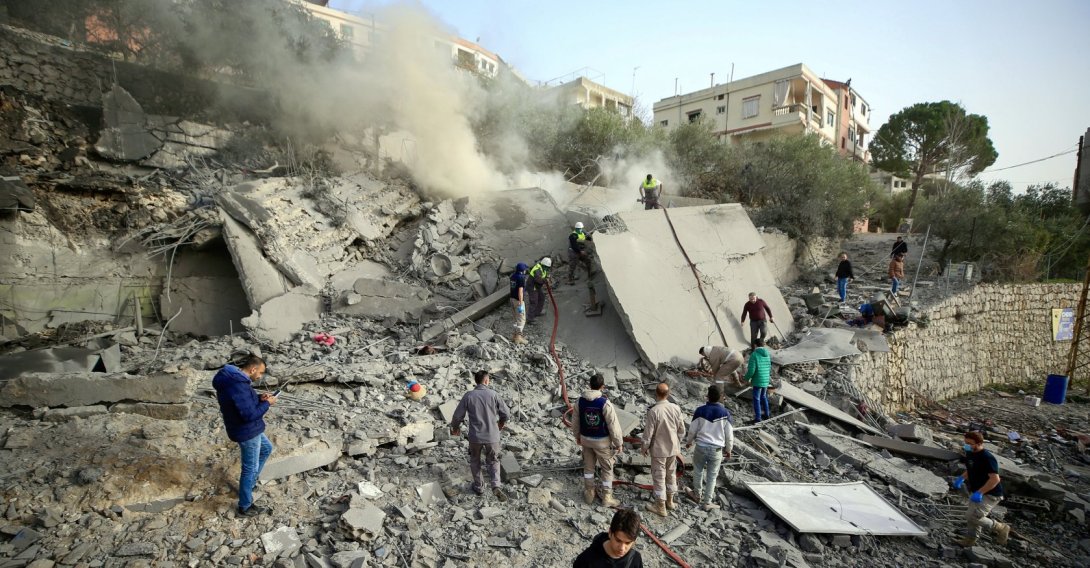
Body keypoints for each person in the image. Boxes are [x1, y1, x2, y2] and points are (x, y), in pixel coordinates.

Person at [212, 354, 276, 517]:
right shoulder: (238, 385)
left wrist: (258, 398)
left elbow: (243, 402)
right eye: (260, 373)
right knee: (250, 468)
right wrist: (267, 404)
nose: (259, 376)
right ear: (253, 369)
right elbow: (249, 415)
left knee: (266, 449)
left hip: (248, 428)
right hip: (246, 431)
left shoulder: (235, 379)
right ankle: (245, 506)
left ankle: (250, 484)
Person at [450, 370, 511, 502]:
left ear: (476, 381)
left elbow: (457, 416)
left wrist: (455, 428)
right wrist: (501, 422)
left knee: (475, 461)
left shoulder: (469, 396)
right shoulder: (494, 394)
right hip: (492, 436)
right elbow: (506, 413)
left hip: (475, 437)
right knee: (493, 460)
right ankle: (496, 485)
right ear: (486, 381)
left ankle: (479, 487)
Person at [572, 373, 623, 507]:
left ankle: (589, 493)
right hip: (602, 442)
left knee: (588, 467)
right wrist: (618, 443)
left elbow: (575, 421)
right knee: (607, 468)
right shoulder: (605, 403)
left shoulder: (579, 402)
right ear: (602, 386)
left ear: (589, 385)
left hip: (586, 440)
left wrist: (577, 436)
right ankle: (607, 497)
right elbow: (613, 425)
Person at [954, 431, 1011, 547]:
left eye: (970, 443)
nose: (967, 446)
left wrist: (980, 492)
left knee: (973, 516)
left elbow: (995, 479)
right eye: (966, 443)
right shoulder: (970, 453)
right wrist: (961, 478)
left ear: (979, 443)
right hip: (977, 490)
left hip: (990, 494)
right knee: (971, 516)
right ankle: (970, 540)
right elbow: (971, 469)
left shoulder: (987, 458)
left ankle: (1000, 527)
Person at [684, 385, 734, 510]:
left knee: (698, 471)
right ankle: (707, 502)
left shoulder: (700, 410)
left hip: (701, 446)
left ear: (707, 396)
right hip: (716, 449)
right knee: (712, 475)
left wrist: (689, 442)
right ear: (721, 397)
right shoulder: (726, 413)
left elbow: (692, 430)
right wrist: (728, 450)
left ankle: (696, 494)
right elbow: (729, 436)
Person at [641, 383, 686, 517]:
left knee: (659, 476)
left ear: (656, 393)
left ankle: (660, 506)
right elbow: (681, 430)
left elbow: (648, 434)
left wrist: (644, 447)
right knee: (671, 473)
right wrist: (677, 443)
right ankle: (670, 502)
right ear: (668, 393)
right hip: (673, 449)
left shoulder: (654, 411)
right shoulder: (676, 408)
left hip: (659, 450)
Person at [572, 508, 644, 568]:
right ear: (610, 533)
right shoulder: (587, 559)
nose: (622, 548)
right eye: (618, 540)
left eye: (628, 543)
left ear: (634, 541)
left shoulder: (635, 560)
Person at [743, 338, 772, 423]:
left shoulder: (754, 354)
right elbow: (769, 367)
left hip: (758, 381)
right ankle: (767, 415)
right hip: (765, 380)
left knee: (757, 399)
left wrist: (746, 379)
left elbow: (751, 370)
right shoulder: (767, 354)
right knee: (764, 397)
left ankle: (758, 418)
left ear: (755, 345)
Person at [526, 257, 552, 324]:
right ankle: (530, 319)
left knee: (541, 297)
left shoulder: (543, 269)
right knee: (534, 301)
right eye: (546, 267)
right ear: (543, 265)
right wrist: (546, 280)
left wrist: (547, 277)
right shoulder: (537, 270)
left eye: (548, 268)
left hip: (537, 286)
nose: (547, 269)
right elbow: (539, 280)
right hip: (532, 286)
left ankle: (537, 312)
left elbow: (544, 276)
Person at [510, 262, 529, 344]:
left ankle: (514, 335)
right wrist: (521, 303)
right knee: (521, 319)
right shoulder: (521, 278)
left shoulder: (512, 276)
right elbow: (520, 291)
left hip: (512, 299)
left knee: (515, 319)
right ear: (523, 270)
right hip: (518, 300)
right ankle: (518, 337)